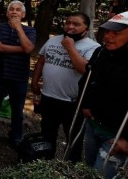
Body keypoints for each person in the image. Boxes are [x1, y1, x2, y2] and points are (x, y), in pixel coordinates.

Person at [80, 11, 128, 179]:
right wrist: (85, 103)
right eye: (107, 31)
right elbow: (87, 80)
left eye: (116, 33)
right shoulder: (101, 52)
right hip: (94, 124)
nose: (108, 36)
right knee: (87, 170)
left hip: (120, 136)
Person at [31, 12, 100, 161]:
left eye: (76, 24)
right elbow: (42, 61)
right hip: (49, 96)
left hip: (73, 102)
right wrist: (35, 81)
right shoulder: (53, 40)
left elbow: (83, 69)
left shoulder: (94, 47)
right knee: (47, 134)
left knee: (73, 138)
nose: (70, 26)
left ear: (86, 28)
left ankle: (69, 169)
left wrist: (70, 48)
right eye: (68, 23)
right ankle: (45, 164)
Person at [0, 0, 36, 148]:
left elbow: (28, 49)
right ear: (7, 13)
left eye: (18, 10)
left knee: (17, 110)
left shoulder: (29, 31)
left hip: (19, 76)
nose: (14, 12)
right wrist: (21, 48)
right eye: (12, 9)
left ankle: (15, 136)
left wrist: (19, 29)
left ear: (23, 14)